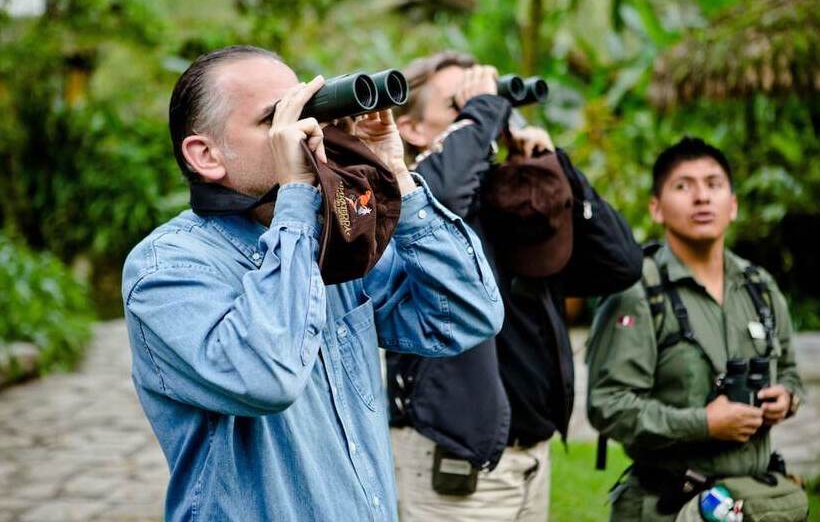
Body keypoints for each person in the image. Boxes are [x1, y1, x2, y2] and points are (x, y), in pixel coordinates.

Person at [121, 45, 504, 522]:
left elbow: (466, 316)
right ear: (206, 154)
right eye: (276, 121)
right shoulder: (167, 269)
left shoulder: (331, 248)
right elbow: (268, 376)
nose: (306, 134)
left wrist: (395, 176)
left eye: (306, 113)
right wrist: (299, 196)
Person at [386, 51, 642, 521]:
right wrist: (481, 111)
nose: (489, 115)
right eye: (461, 105)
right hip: (452, 459)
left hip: (531, 460)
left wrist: (557, 169)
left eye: (492, 104)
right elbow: (437, 197)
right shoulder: (411, 210)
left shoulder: (515, 209)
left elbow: (620, 266)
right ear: (413, 129)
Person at [586, 137, 805, 521]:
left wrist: (786, 398)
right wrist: (704, 424)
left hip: (750, 502)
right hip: (668, 505)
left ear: (733, 205)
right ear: (656, 207)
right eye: (683, 186)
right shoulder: (638, 293)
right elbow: (609, 406)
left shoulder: (759, 288)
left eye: (714, 184)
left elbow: (788, 370)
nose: (702, 197)